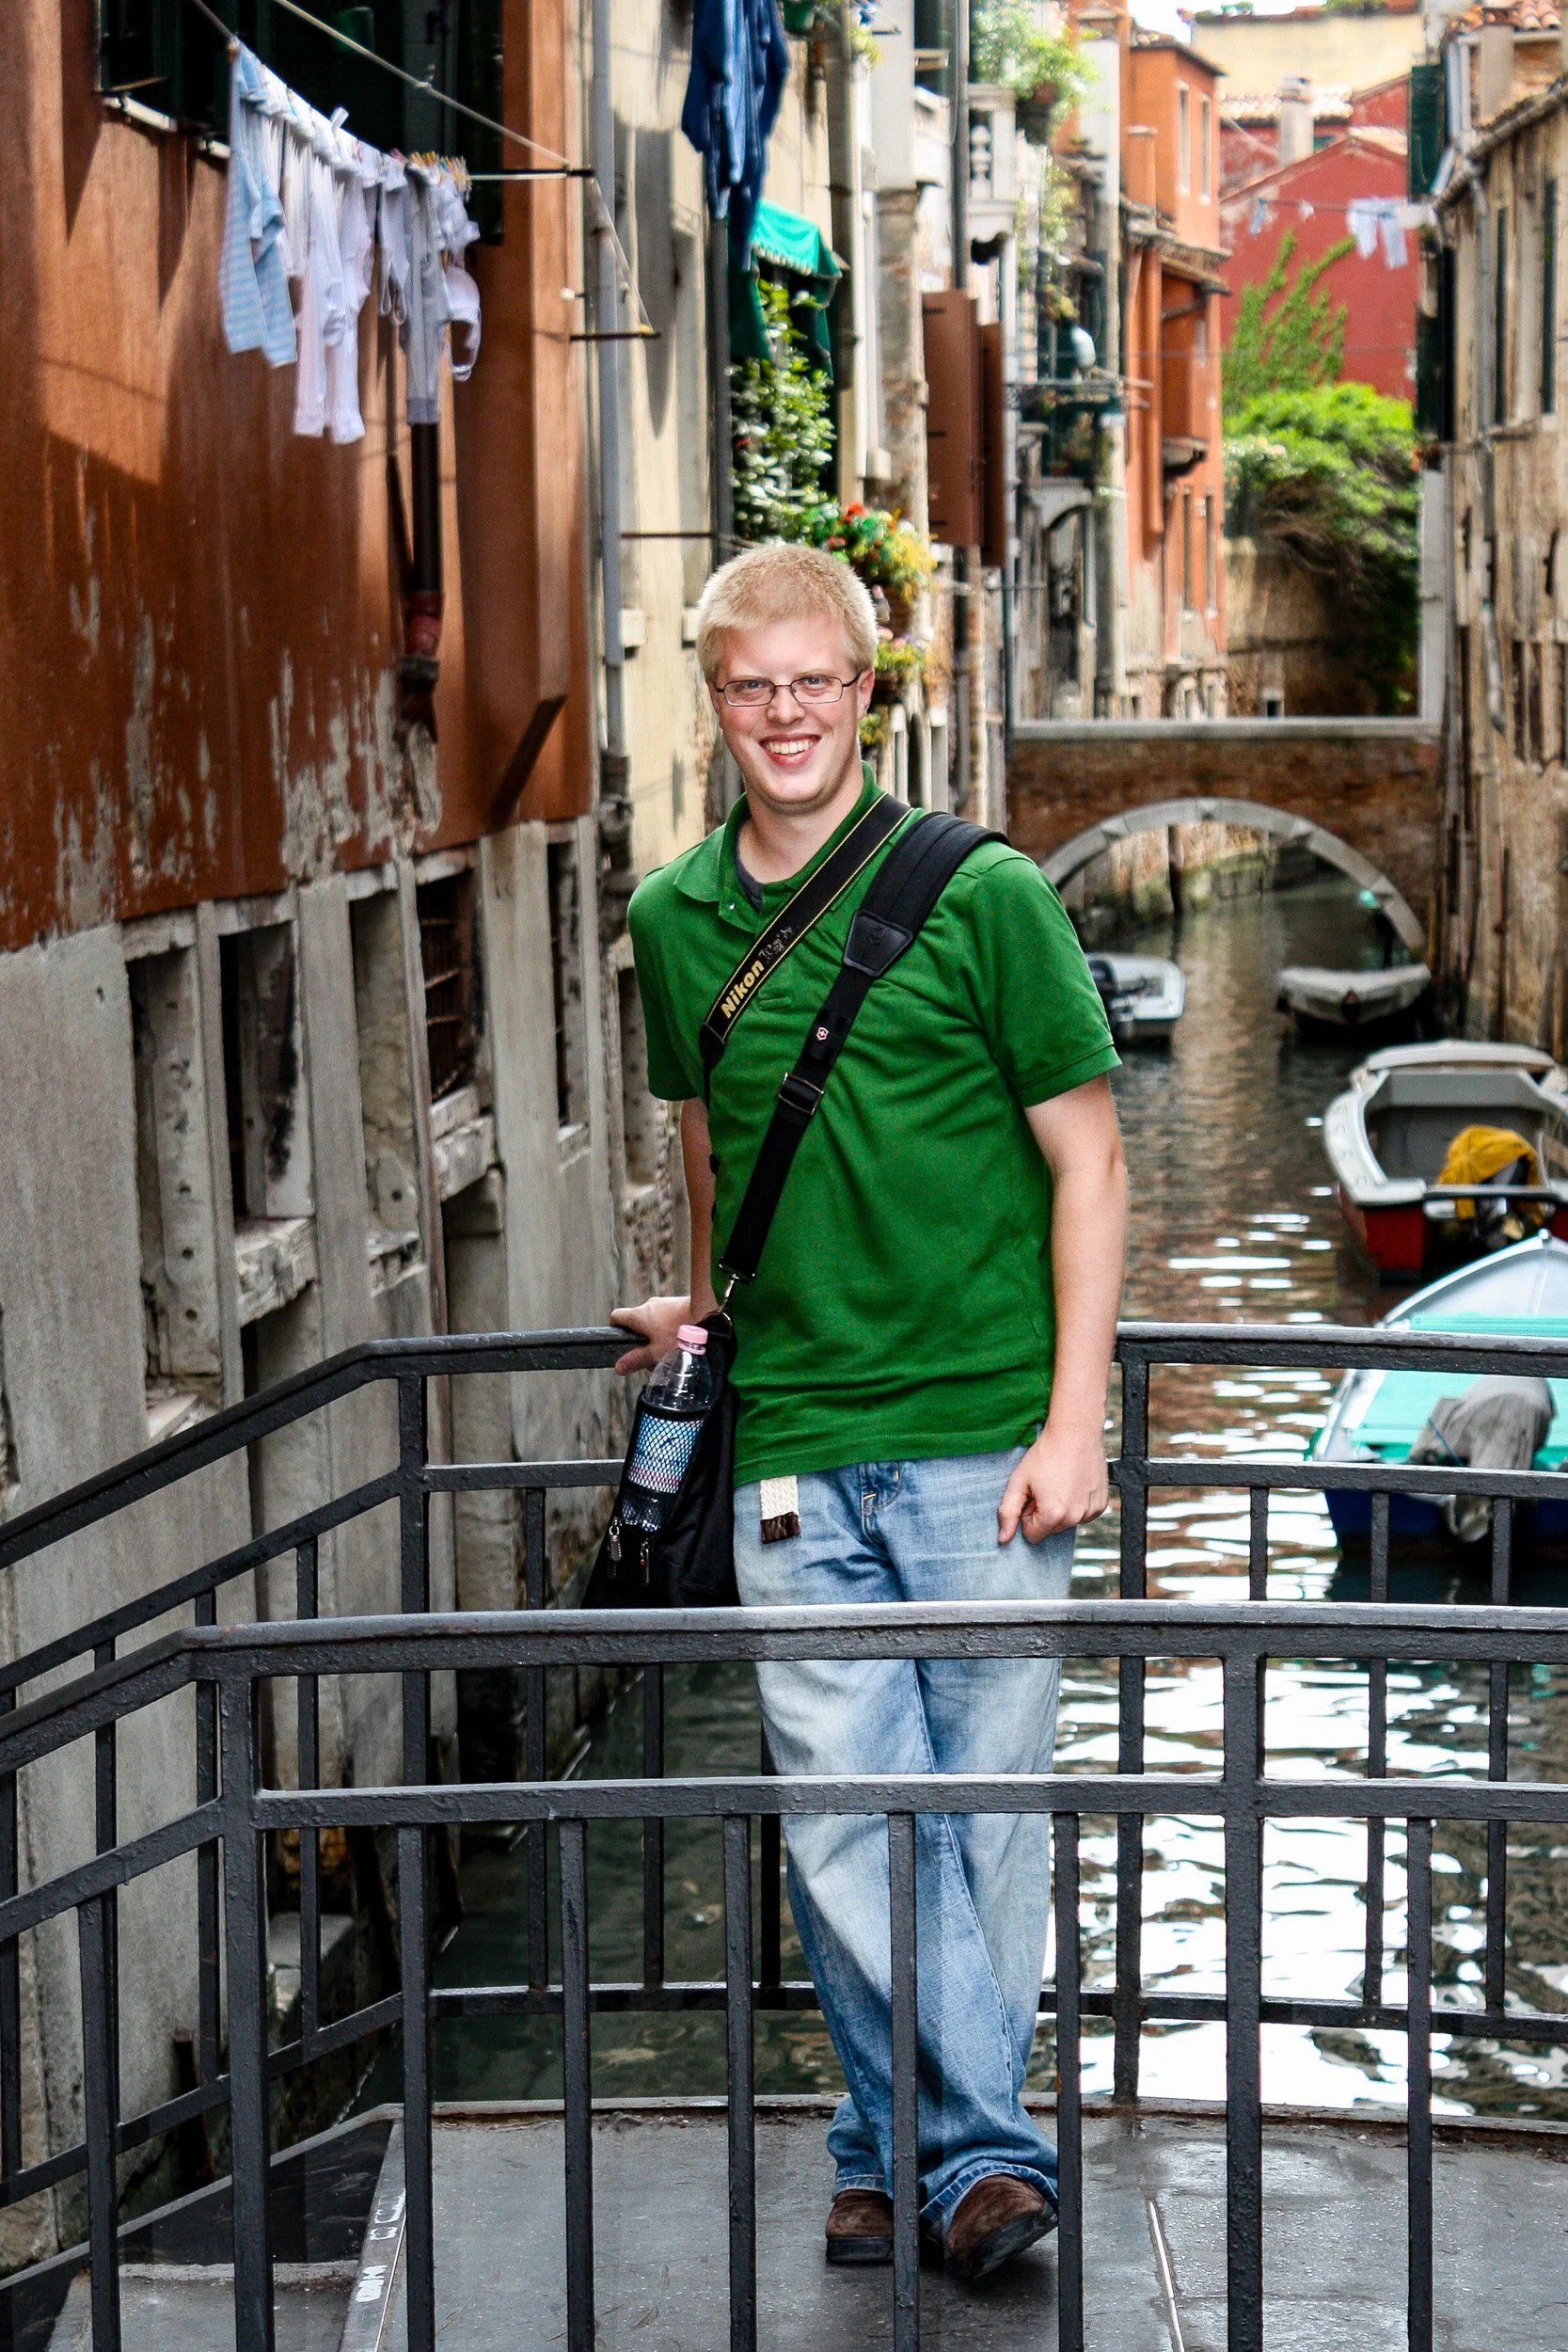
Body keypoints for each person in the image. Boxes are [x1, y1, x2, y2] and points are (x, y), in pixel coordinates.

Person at [612, 542, 1128, 2284]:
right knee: (848, 1822)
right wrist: (708, 1302)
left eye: (812, 683)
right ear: (716, 704)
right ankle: (981, 2159)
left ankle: (875, 2150)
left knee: (979, 1822)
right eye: (750, 687)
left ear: (861, 691)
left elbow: (1090, 1163)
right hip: (794, 1445)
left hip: (992, 1443)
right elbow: (711, 1147)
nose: (784, 715)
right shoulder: (672, 921)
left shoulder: (982, 894)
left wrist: (1079, 1421)